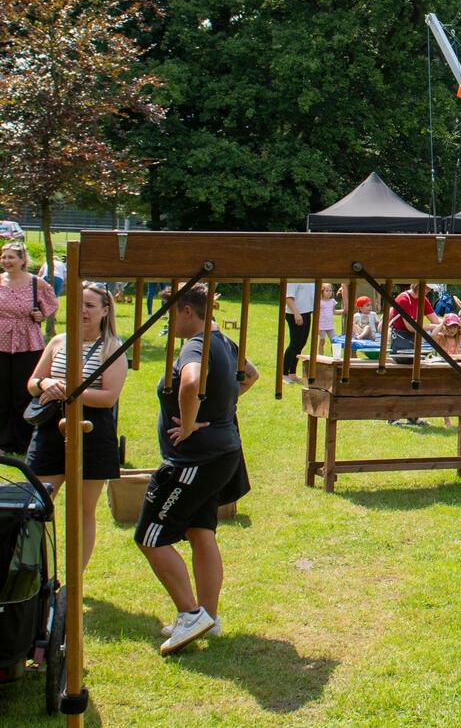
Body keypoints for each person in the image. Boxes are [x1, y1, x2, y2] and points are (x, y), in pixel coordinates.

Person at [136, 283, 258, 655]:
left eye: (170, 312)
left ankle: (191, 615)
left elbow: (189, 383)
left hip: (195, 460)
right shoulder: (224, 341)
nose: (168, 321)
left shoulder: (195, 344)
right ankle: (209, 616)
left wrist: (189, 423)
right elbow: (250, 375)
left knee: (150, 537)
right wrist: (219, 410)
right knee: (199, 531)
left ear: (187, 311)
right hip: (221, 453)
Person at [25, 283, 126, 570]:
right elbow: (33, 383)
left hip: (91, 431)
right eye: (78, 303)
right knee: (38, 503)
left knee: (83, 511)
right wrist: (46, 383)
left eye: (90, 305)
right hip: (49, 430)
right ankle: (36, 572)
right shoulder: (59, 341)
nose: (82, 310)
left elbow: (108, 398)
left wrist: (69, 391)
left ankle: (75, 578)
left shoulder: (112, 348)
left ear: (105, 311)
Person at [0, 241, 58, 456]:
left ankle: (24, 441)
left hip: (28, 341)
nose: (6, 261)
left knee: (24, 392)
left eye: (11, 257)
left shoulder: (37, 283)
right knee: (2, 393)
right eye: (4, 257)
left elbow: (51, 304)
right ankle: (4, 442)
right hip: (1, 341)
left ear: (23, 260)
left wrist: (41, 315)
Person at [281, 280, 314, 385]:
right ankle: (284, 374)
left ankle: (293, 374)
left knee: (301, 344)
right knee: (294, 344)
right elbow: (288, 298)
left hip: (306, 313)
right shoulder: (294, 278)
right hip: (295, 314)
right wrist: (296, 313)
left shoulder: (311, 278)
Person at [388, 283, 435, 353]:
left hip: (412, 337)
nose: (428, 291)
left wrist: (448, 322)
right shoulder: (404, 299)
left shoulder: (423, 299)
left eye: (429, 289)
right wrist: (433, 326)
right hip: (400, 338)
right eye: (426, 288)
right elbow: (411, 327)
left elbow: (435, 320)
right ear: (417, 285)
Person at [316, 283, 337, 354]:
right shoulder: (320, 302)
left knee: (334, 341)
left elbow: (334, 311)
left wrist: (344, 310)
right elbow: (316, 314)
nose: (329, 292)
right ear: (322, 291)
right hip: (321, 326)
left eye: (330, 291)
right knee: (322, 341)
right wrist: (317, 327)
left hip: (330, 326)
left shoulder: (333, 301)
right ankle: (321, 356)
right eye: (327, 291)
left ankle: (334, 356)